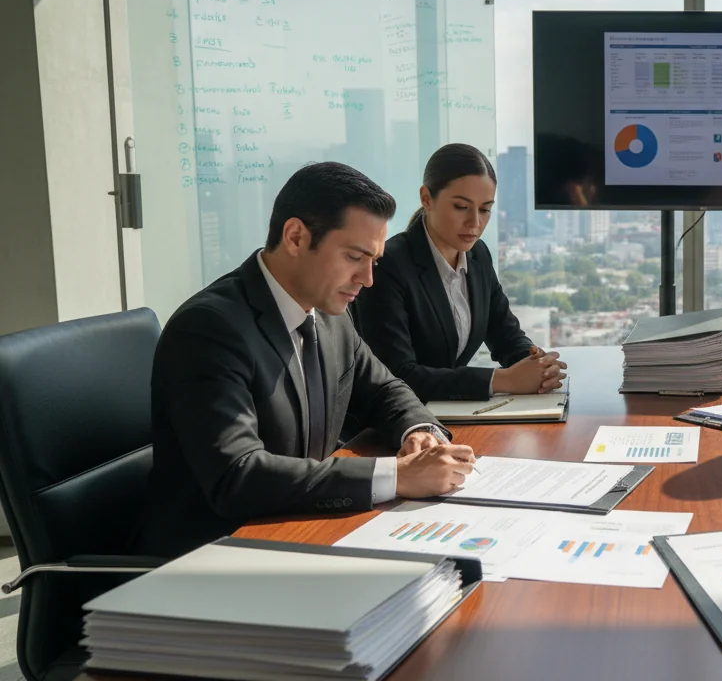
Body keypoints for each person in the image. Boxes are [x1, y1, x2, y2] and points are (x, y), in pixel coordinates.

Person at [135, 162, 476, 558]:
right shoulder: (210, 329)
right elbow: (238, 477)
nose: (367, 279)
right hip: (214, 557)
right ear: (296, 237)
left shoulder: (329, 313)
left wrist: (417, 431)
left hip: (297, 531)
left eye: (374, 261)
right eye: (354, 257)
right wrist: (397, 476)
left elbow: (385, 388)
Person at [355, 144, 565, 402]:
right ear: (426, 198)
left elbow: (505, 334)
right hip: (394, 427)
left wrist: (537, 365)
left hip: (450, 414)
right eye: (461, 207)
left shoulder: (478, 255)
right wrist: (503, 380)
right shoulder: (388, 265)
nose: (475, 223)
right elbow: (398, 375)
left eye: (485, 209)